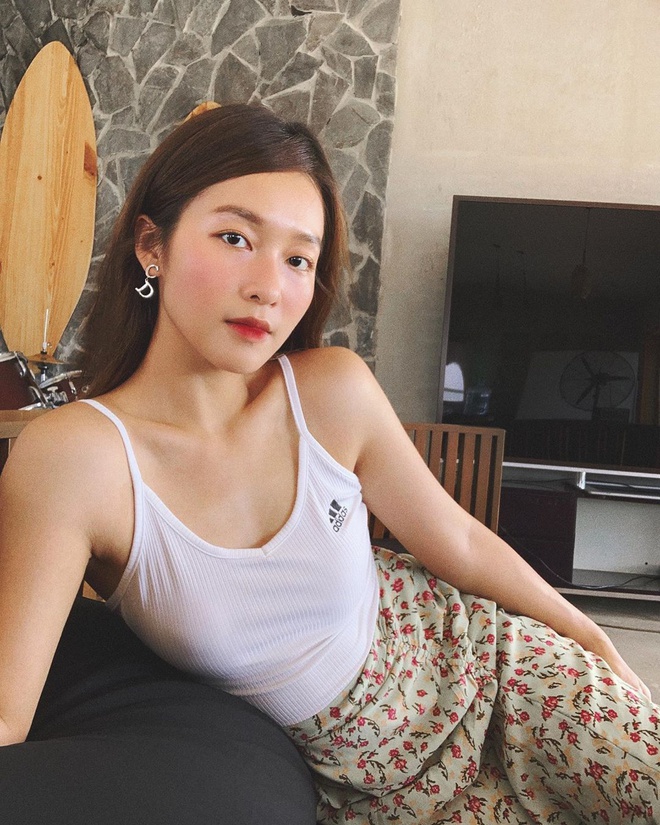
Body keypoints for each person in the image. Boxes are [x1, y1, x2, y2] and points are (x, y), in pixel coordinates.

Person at [0, 103, 657, 824]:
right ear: (151, 245)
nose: (268, 287)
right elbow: (8, 714)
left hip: (493, 672)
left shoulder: (330, 391)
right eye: (235, 237)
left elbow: (461, 542)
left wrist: (590, 635)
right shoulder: (76, 460)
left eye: (298, 259)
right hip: (363, 792)